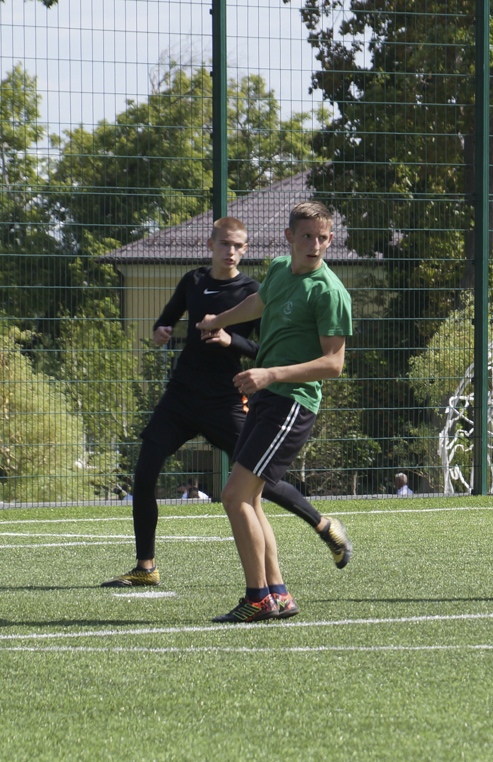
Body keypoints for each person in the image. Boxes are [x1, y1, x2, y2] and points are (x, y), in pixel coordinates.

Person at [102, 216, 352, 589]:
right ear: (211, 245)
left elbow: (285, 353)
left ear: (245, 249)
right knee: (155, 472)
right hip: (183, 397)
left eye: (238, 246)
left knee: (251, 487)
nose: (230, 251)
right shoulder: (204, 280)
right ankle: (148, 565)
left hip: (231, 399)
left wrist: (234, 344)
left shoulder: (303, 289)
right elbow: (169, 321)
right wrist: (164, 330)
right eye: (224, 244)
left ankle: (314, 533)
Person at [195, 201, 353, 622]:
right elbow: (259, 304)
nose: (315, 245)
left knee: (234, 497)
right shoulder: (282, 270)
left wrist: (270, 374)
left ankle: (258, 599)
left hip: (293, 403)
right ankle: (277, 594)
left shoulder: (330, 292)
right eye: (307, 236)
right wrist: (218, 321)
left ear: (330, 240)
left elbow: (333, 364)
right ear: (289, 237)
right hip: (269, 398)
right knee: (251, 499)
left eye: (322, 238)